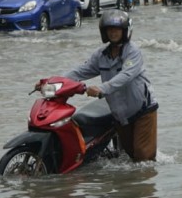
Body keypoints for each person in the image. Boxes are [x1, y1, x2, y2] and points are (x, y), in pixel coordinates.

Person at [41, 10, 158, 162]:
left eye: (117, 29)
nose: (113, 33)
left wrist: (102, 89)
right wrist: (51, 82)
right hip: (121, 116)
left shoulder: (133, 52)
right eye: (109, 29)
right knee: (129, 158)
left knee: (143, 159)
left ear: (125, 31)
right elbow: (80, 71)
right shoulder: (101, 55)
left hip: (142, 111)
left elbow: (126, 76)